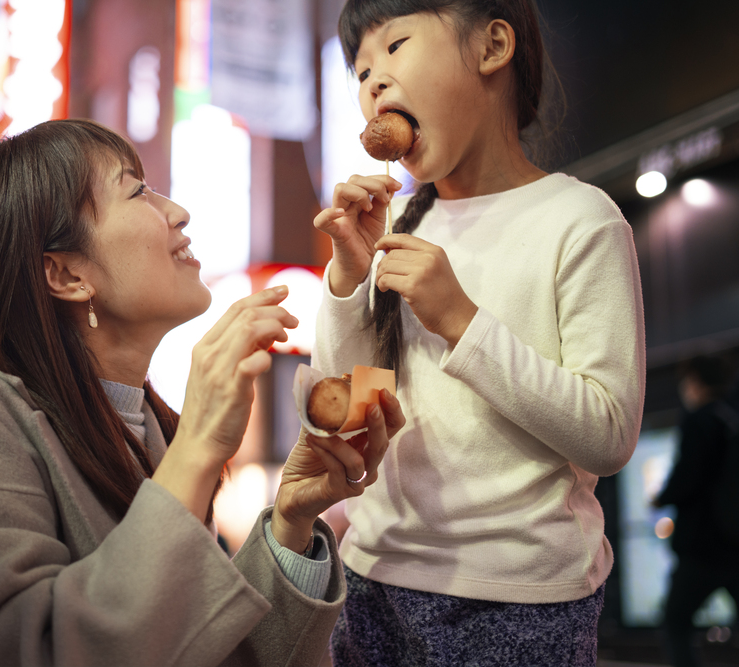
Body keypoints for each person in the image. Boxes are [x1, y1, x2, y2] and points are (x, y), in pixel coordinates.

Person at [0, 119, 405, 666]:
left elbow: (199, 651)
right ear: (66, 273)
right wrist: (197, 445)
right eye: (136, 190)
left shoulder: (141, 430)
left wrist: (291, 522)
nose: (178, 212)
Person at [311, 1, 645, 665]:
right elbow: (348, 407)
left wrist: (461, 321)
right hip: (373, 572)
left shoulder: (579, 219)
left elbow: (609, 434)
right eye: (361, 70)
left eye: (397, 46)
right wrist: (349, 277)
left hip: (523, 594)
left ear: (493, 47)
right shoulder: (396, 218)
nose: (373, 82)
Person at [655, 356, 739, 667]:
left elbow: (687, 476)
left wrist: (661, 498)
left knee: (675, 623)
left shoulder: (699, 419)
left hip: (703, 545)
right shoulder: (731, 418)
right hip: (734, 543)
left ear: (695, 381)